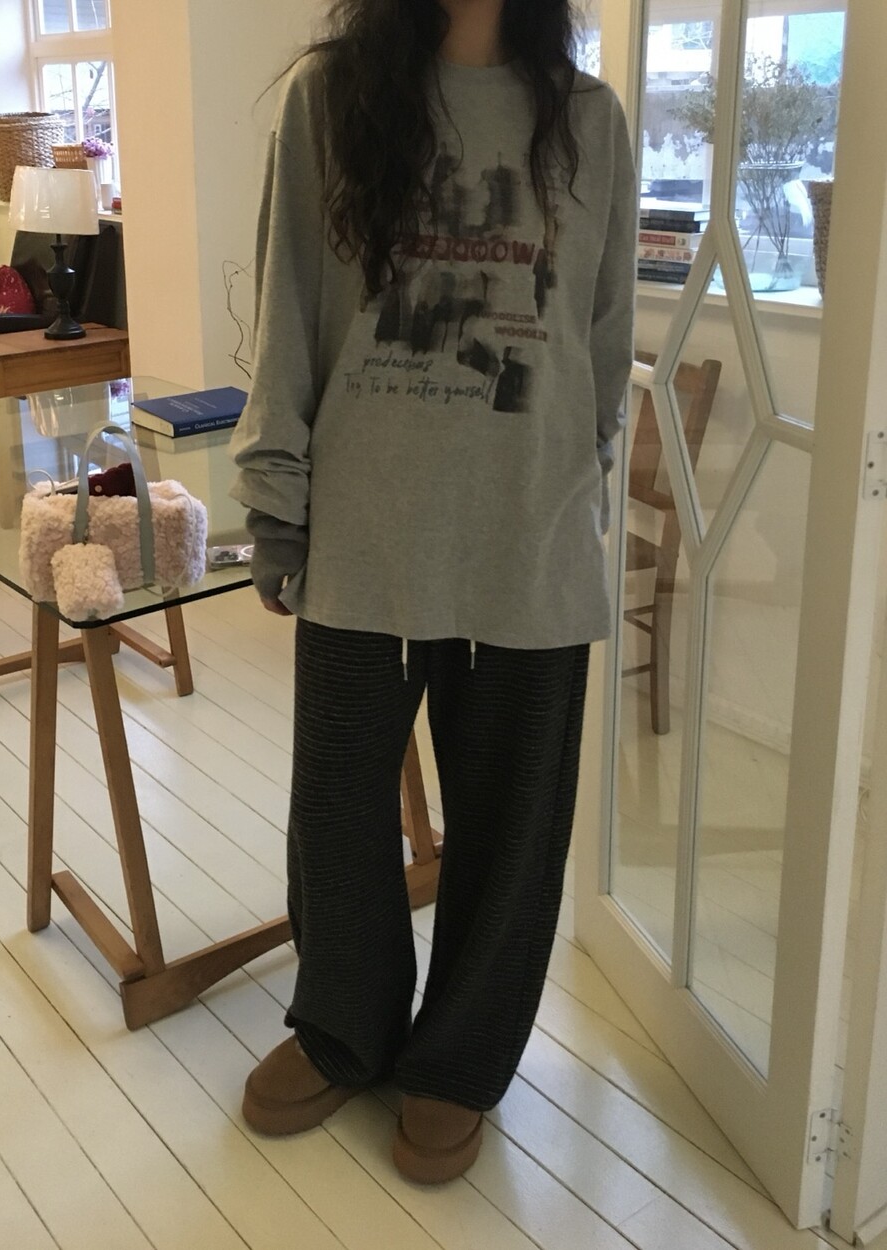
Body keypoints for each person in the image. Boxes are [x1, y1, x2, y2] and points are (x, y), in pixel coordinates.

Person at [229, 0, 636, 1184]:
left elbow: (603, 331)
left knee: (511, 822)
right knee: (337, 804)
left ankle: (458, 1058)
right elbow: (290, 309)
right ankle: (345, 1024)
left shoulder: (589, 120)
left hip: (527, 529)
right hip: (366, 523)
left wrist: (570, 471)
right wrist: (277, 500)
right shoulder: (330, 99)